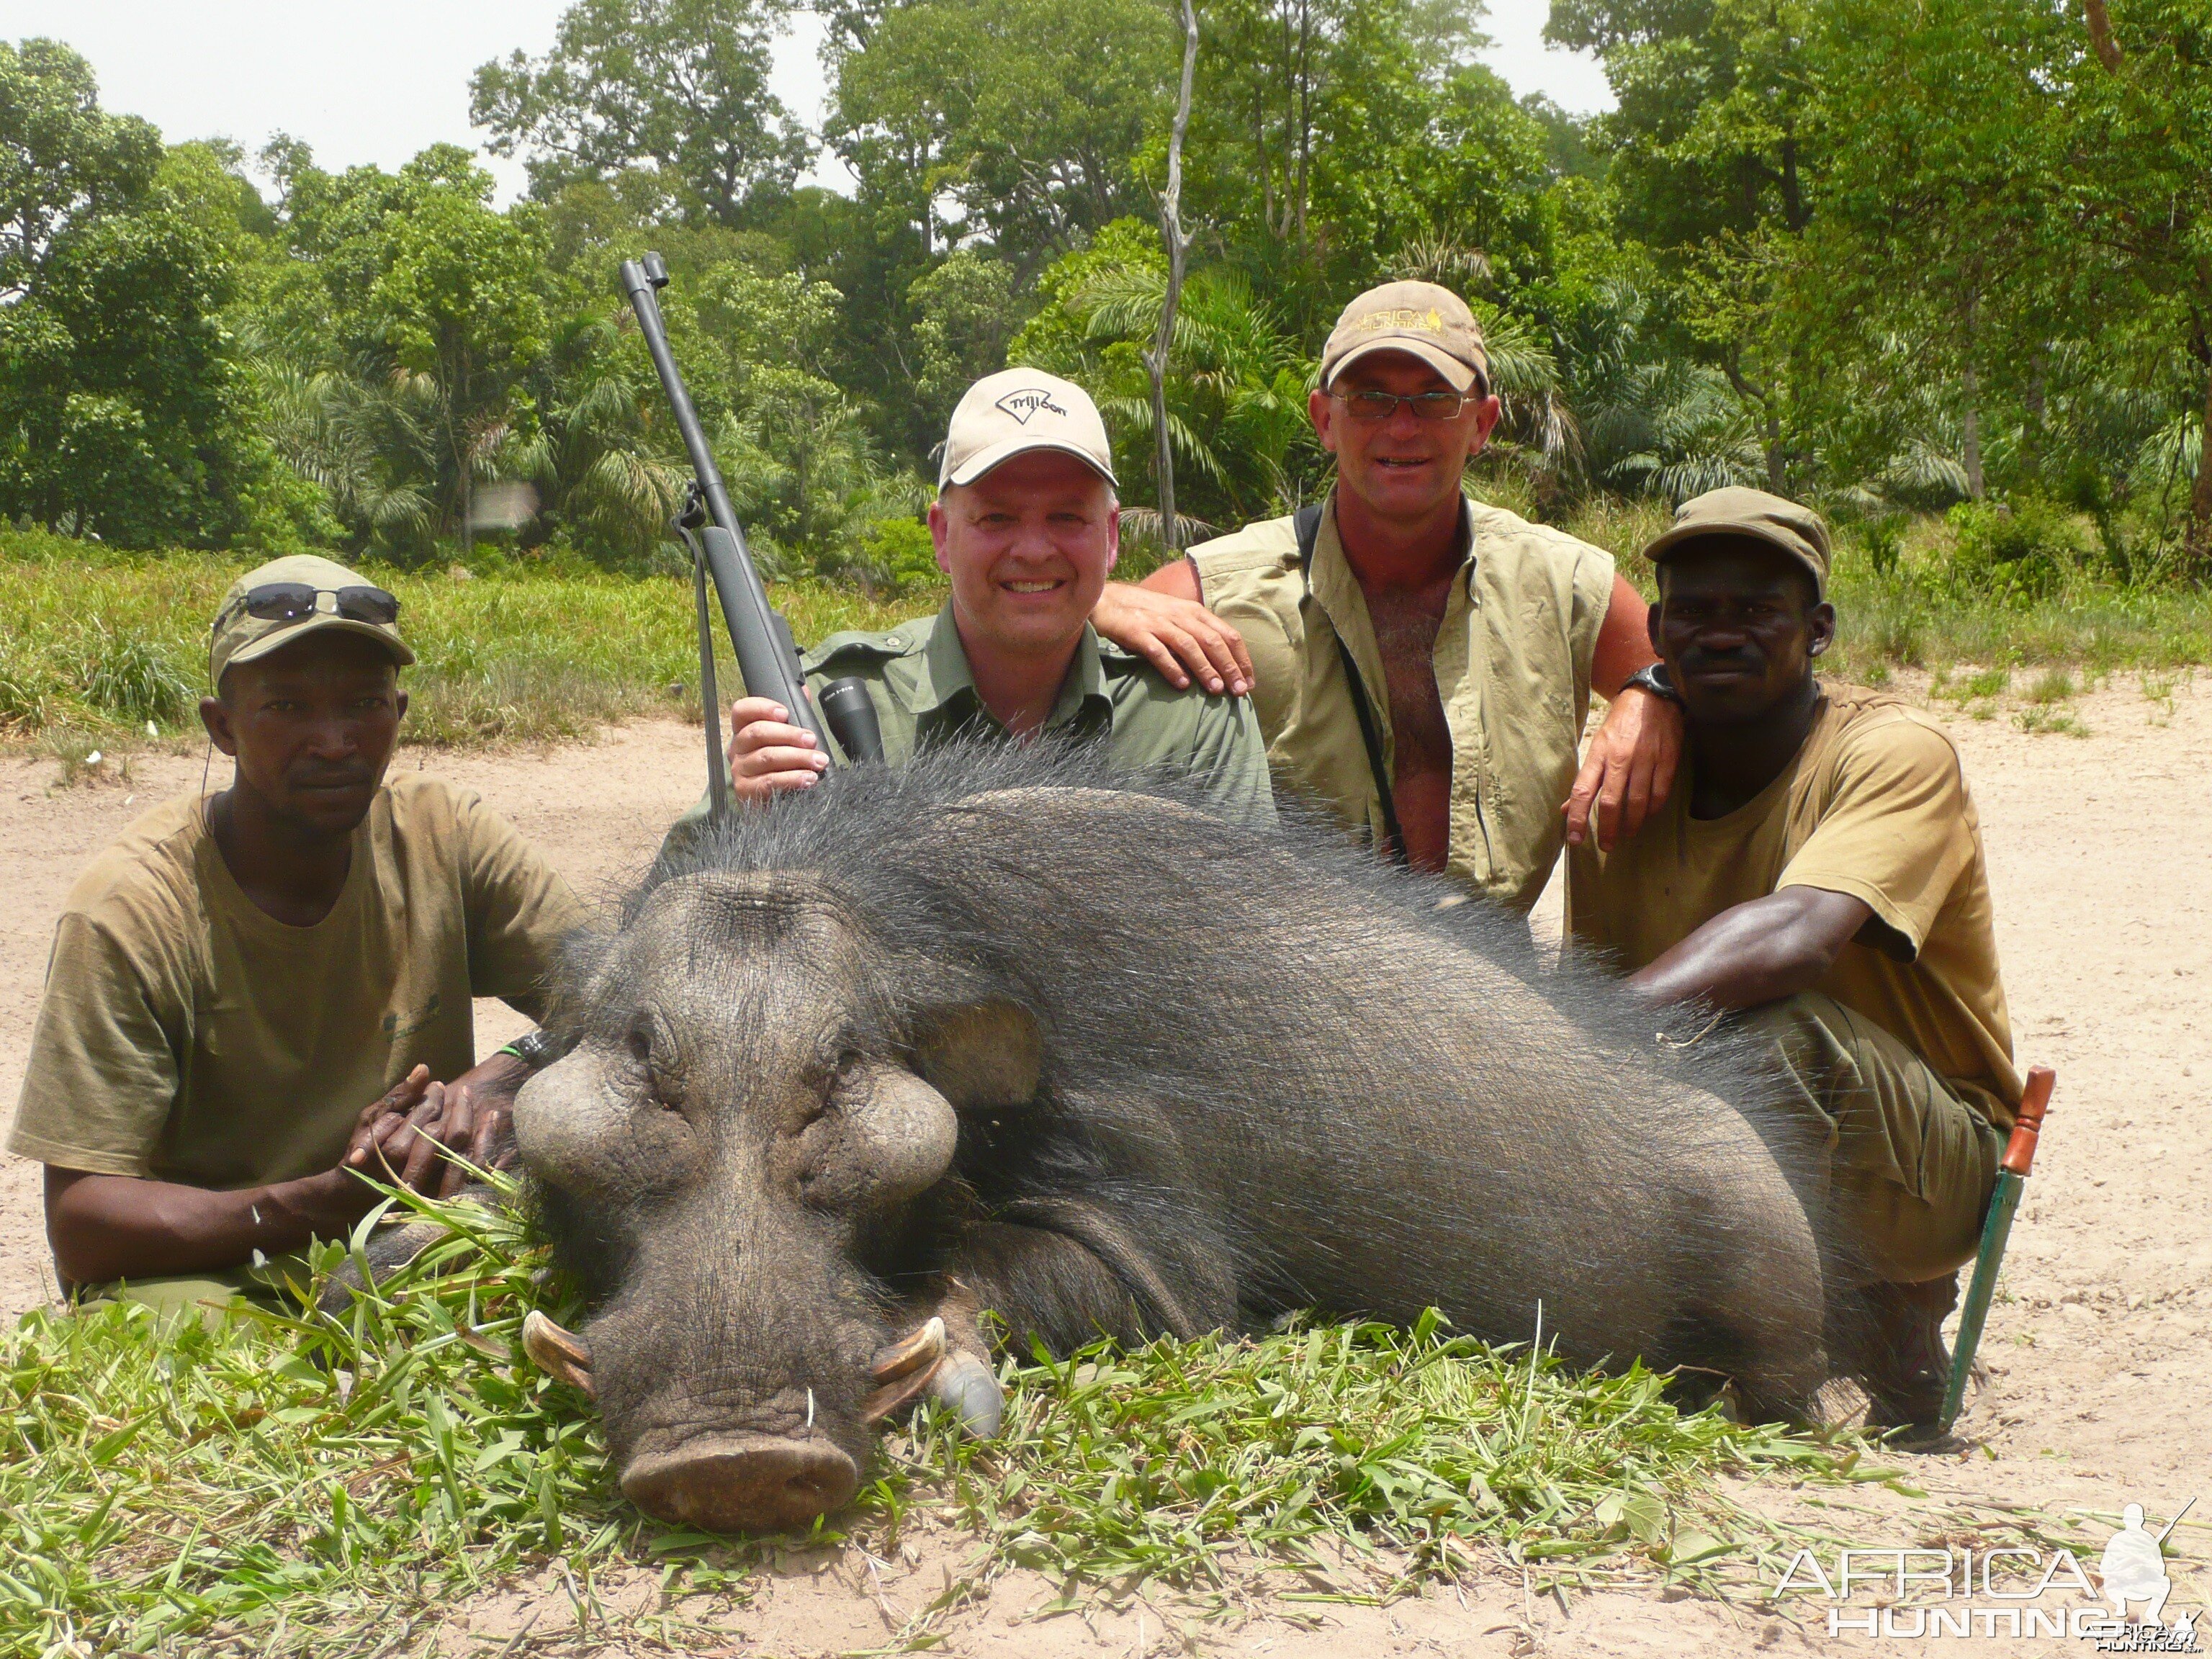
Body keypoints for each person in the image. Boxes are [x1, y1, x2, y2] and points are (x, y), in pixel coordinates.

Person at [9, 554, 588, 1319]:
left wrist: (495, 1080)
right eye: (286, 708)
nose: (335, 740)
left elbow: (625, 998)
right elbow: (83, 1228)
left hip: (415, 1244)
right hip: (213, 1274)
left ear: (399, 712)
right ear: (222, 726)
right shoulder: (131, 909)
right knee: (198, 1382)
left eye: (363, 703)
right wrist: (329, 1201)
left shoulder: (445, 836)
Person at [1565, 487, 2018, 1428]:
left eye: (1757, 611)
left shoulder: (1893, 750)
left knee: (1773, 1031)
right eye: (1693, 611)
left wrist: (1572, 1042)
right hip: (1717, 1100)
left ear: (1818, 629)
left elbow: (1798, 935)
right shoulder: (1623, 781)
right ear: (1655, 628)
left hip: (1928, 1159)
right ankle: (1705, 1322)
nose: (1721, 633)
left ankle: (1881, 1317)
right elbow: (1600, 987)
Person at [1089, 280, 1681, 909]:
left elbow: (1690, 667)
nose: (1402, 428)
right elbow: (1048, 676)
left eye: (1434, 399)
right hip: (1287, 988)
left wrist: (1653, 694)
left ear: (1482, 424)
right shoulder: (1222, 589)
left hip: (1499, 993)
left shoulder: (1558, 585)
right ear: (1324, 419)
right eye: (1370, 399)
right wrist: (1097, 603)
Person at [668, 368, 1272, 833]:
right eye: (997, 518)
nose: (1033, 550)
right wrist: (741, 820)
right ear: (942, 536)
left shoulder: (1191, 713)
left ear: (1111, 538)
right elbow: (666, 914)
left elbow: (1255, 932)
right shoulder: (824, 709)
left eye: (1067, 517)